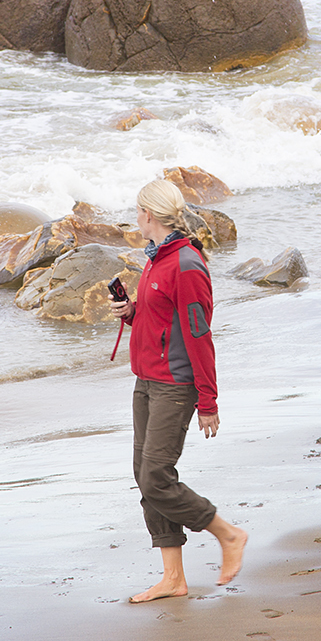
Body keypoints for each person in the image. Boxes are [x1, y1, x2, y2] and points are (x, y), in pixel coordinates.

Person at [111, 178, 247, 603]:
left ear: (148, 215)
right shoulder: (156, 258)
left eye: (137, 211)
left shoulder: (185, 264)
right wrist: (131, 312)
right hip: (146, 382)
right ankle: (173, 578)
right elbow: (162, 320)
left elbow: (199, 336)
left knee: (156, 478)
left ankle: (228, 533)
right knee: (146, 477)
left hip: (175, 386)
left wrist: (209, 401)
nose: (136, 218)